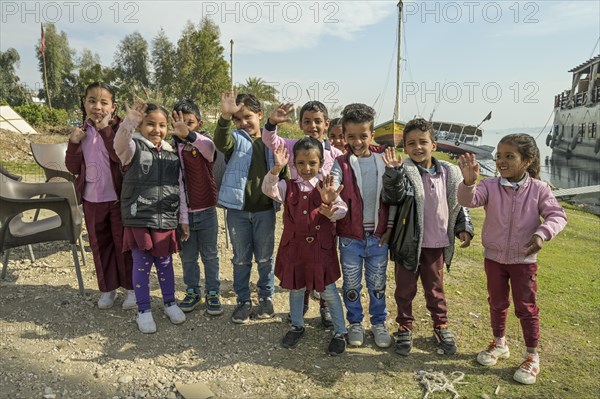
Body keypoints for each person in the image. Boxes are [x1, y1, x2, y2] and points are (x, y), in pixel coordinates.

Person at [457, 133, 567, 385]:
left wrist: (541, 235)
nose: (501, 161)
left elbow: (557, 216)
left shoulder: (539, 189)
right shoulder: (489, 185)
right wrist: (468, 182)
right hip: (494, 259)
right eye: (498, 156)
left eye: (509, 156)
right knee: (497, 303)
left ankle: (532, 356)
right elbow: (467, 201)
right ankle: (499, 344)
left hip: (524, 261)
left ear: (527, 161)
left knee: (526, 308)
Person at [381, 117, 474, 356]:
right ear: (404, 148)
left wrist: (463, 226)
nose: (417, 147)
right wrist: (392, 173)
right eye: (411, 143)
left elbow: (459, 203)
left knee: (435, 289)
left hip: (436, 243)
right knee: (404, 289)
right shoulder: (404, 171)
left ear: (434, 144)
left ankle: (440, 325)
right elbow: (393, 196)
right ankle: (404, 325)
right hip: (408, 244)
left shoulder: (450, 172)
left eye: (423, 142)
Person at [262, 138, 348, 355]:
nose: (306, 168)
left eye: (312, 163)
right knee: (297, 287)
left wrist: (330, 209)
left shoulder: (327, 186)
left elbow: (342, 209)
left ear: (321, 163)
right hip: (295, 249)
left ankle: (340, 331)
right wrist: (277, 168)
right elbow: (267, 189)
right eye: (301, 163)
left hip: (320, 249)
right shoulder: (287, 186)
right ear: (294, 163)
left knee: (327, 290)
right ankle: (297, 325)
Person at [214, 90, 288, 324]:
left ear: (259, 114)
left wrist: (279, 166)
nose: (243, 122)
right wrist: (225, 118)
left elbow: (283, 173)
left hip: (265, 211)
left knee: (265, 259)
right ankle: (243, 301)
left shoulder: (273, 143)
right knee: (241, 259)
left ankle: (266, 298)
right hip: (237, 212)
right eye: (238, 119)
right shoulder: (235, 139)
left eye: (247, 117)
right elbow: (220, 141)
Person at [114, 102, 187, 333]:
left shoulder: (172, 152)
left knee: (165, 263)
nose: (156, 129)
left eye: (162, 125)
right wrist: (129, 122)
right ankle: (143, 310)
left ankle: (169, 303)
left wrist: (182, 218)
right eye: (150, 124)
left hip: (166, 218)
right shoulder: (133, 147)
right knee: (142, 264)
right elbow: (119, 144)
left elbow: (180, 188)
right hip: (139, 218)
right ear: (141, 126)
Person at [330, 103, 397, 349]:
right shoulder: (341, 163)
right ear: (344, 136)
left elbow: (393, 199)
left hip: (378, 237)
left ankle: (379, 323)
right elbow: (334, 186)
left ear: (372, 134)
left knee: (378, 283)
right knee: (351, 283)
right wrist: (330, 196)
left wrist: (389, 228)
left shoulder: (384, 159)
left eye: (363, 136)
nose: (357, 141)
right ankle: (355, 323)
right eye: (351, 137)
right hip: (350, 238)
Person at [65, 82, 135, 310]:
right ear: (84, 103)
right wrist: (74, 143)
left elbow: (119, 157)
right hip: (92, 200)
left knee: (122, 245)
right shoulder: (81, 132)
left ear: (113, 107)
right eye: (92, 101)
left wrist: (106, 130)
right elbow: (73, 167)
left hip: (117, 200)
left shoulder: (120, 130)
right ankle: (108, 289)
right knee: (100, 244)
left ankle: (132, 289)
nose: (98, 107)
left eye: (104, 102)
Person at [171, 99, 222, 315]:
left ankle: (212, 292)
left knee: (210, 254)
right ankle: (192, 290)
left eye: (189, 123)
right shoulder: (171, 148)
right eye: (179, 123)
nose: (184, 128)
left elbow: (209, 149)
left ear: (199, 124)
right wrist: (182, 218)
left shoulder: (204, 144)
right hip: (183, 215)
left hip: (207, 212)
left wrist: (189, 135)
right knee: (188, 256)